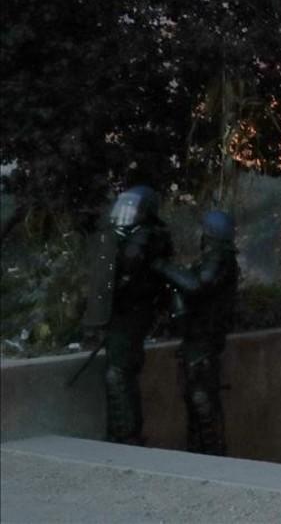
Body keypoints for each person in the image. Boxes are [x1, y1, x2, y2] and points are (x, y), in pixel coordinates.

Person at [84, 186, 174, 445]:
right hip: (119, 313)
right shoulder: (119, 236)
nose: (126, 211)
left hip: (134, 313)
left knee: (119, 373)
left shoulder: (151, 237)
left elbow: (140, 273)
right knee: (116, 373)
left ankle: (128, 436)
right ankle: (119, 433)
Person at [158, 210, 239, 455]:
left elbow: (197, 285)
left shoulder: (219, 259)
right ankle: (201, 454)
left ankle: (212, 457)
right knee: (196, 400)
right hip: (198, 337)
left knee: (202, 401)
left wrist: (163, 267)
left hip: (204, 338)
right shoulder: (215, 258)